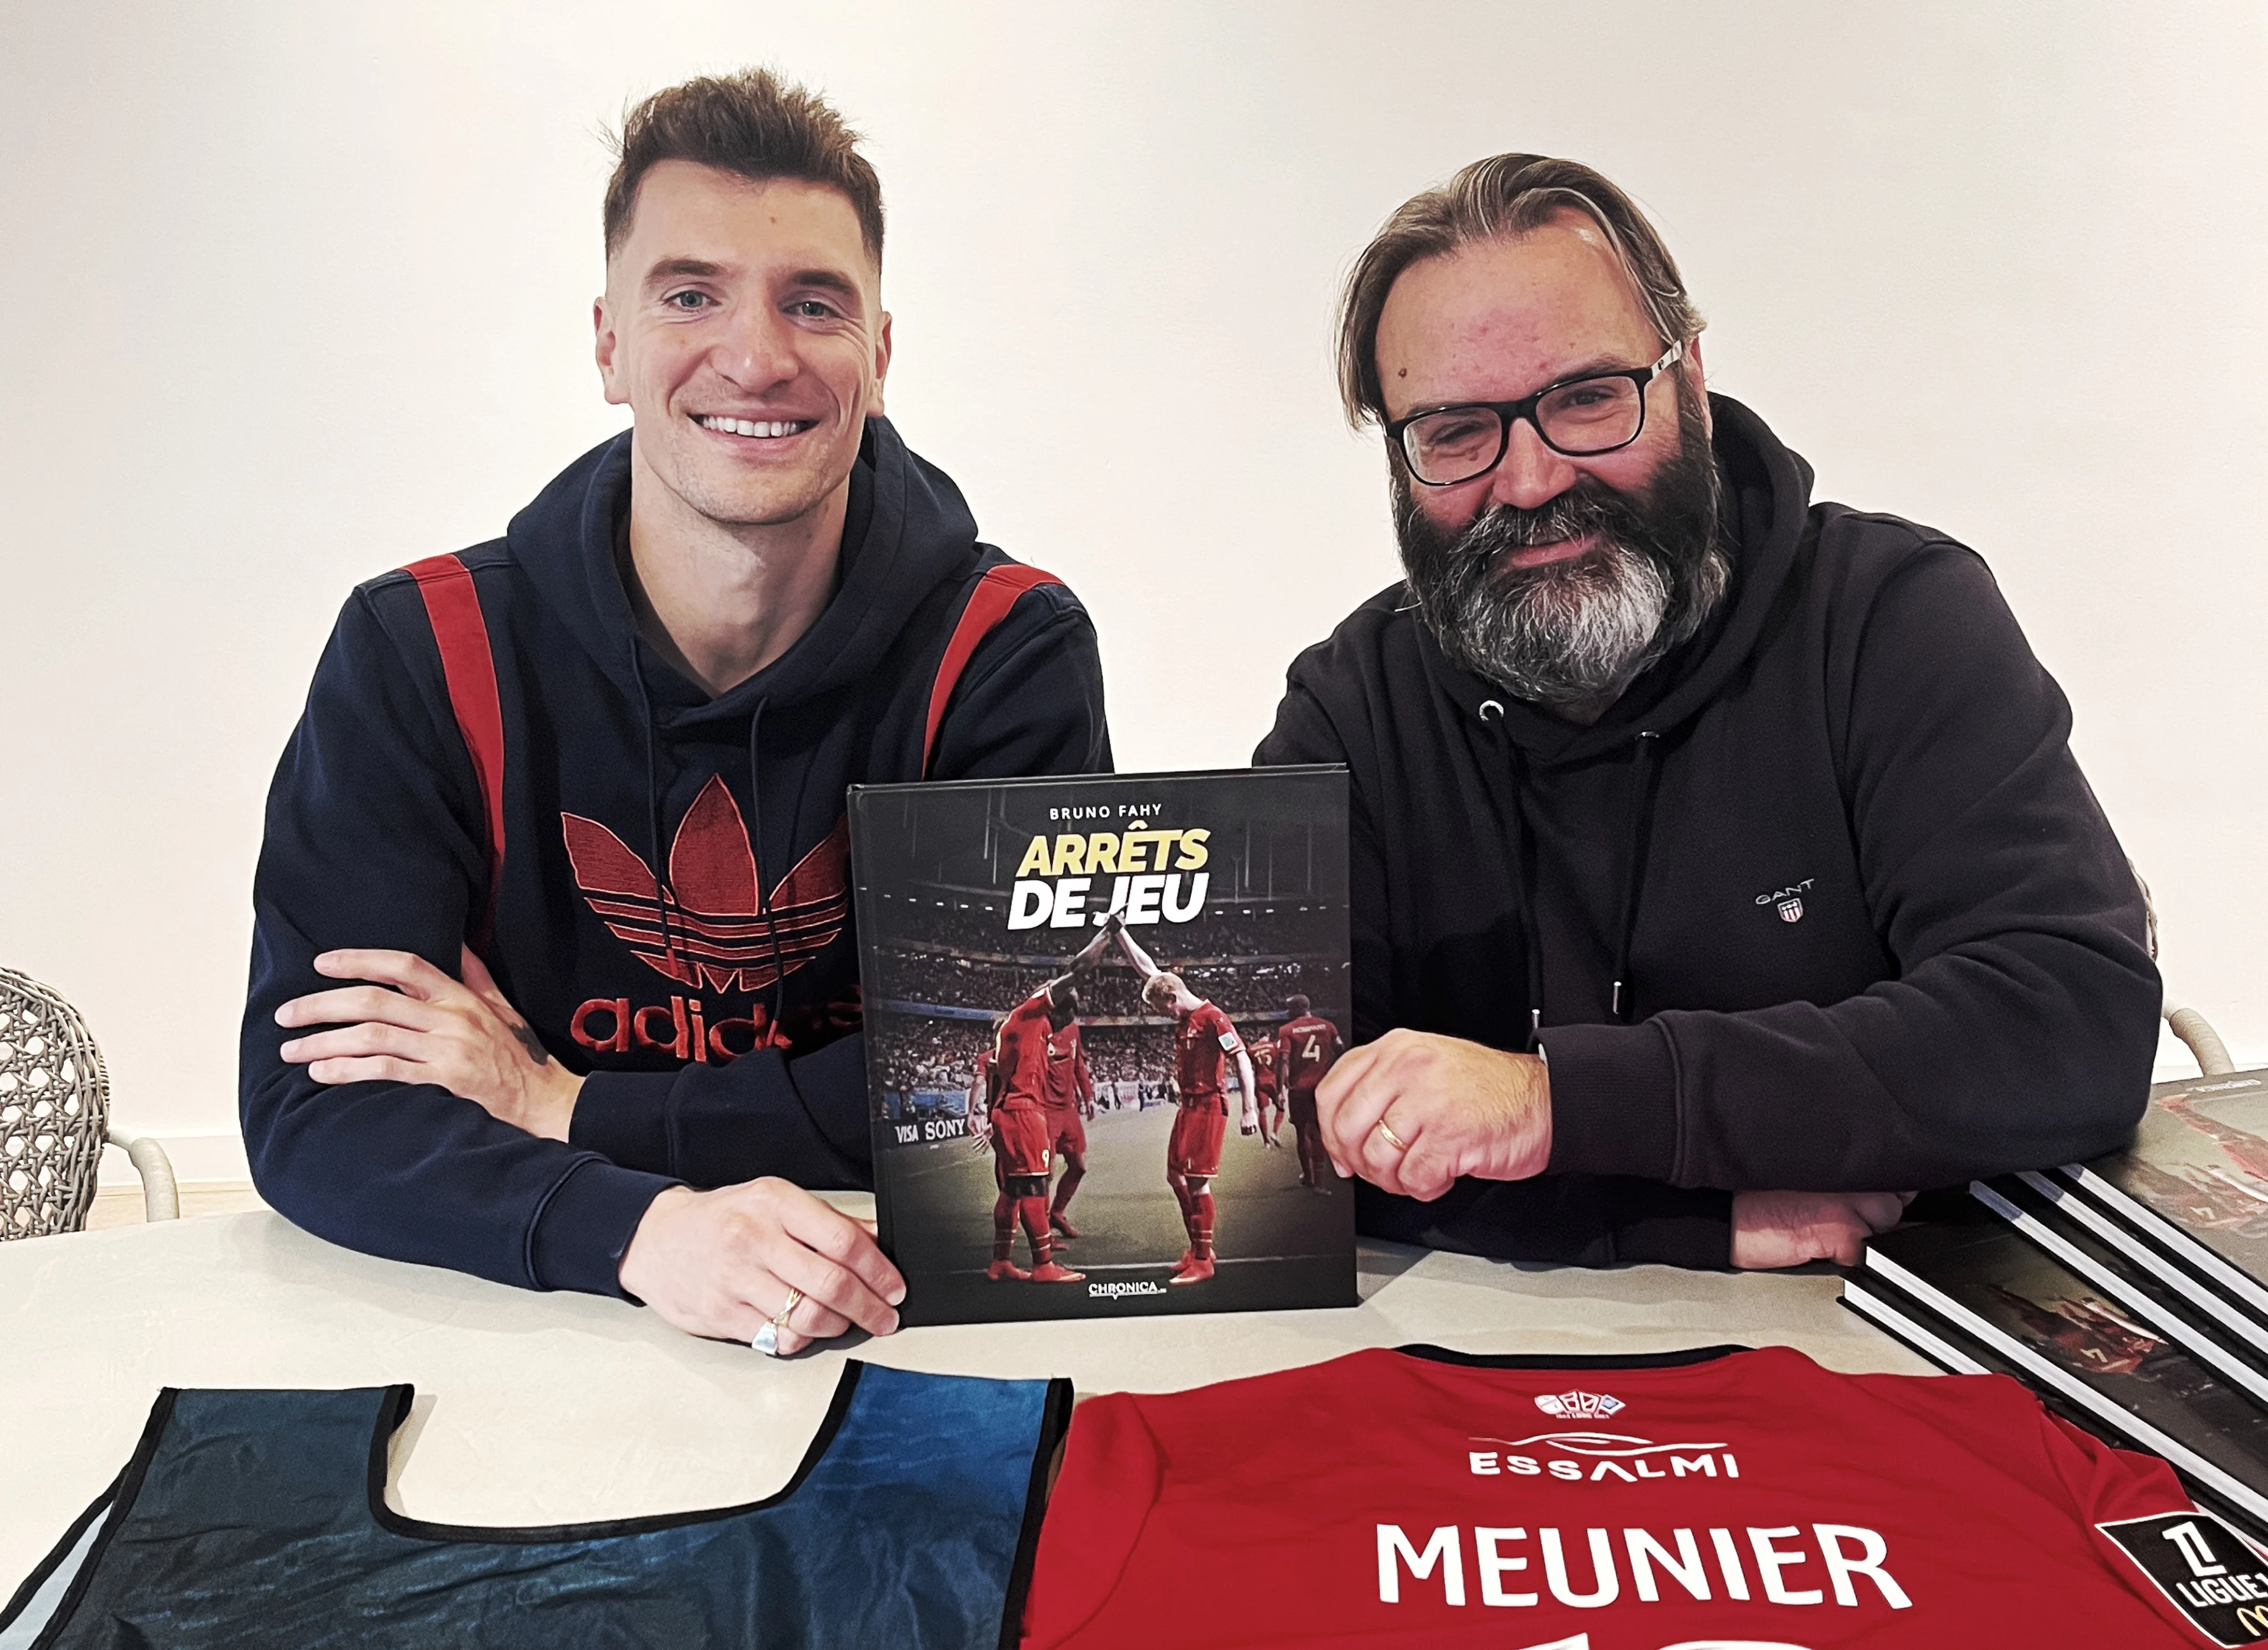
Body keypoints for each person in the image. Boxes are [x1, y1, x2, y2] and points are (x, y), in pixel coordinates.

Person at [240, 70, 1110, 1356]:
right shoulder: (421, 649)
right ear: (608, 344)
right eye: (690, 294)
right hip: (532, 1319)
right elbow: (314, 1111)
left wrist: (567, 1104)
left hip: (905, 1313)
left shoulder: (1005, 652)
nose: (756, 356)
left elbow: (998, 1091)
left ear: (879, 353)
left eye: (813, 304)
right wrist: (634, 1228)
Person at [1254, 154, 2158, 1270]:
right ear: (1398, 459)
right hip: (1489, 1365)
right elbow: (1283, 1153)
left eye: (1587, 397)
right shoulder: (1353, 710)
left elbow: (2066, 1022)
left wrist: (1554, 1103)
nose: (1530, 480)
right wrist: (1671, 1225)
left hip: (1881, 1350)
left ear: (1688, 375)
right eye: (1454, 432)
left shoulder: (1893, 619)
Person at [1110, 923, 1260, 1284]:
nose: (1164, 1015)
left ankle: (1204, 1260)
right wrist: (1121, 933)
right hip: (1188, 1106)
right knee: (1174, 1175)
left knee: (1197, 1183)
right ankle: (1197, 1248)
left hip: (1209, 1105)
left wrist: (1250, 1107)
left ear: (1173, 997)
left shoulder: (1212, 1017)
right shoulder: (1176, 1002)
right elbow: (1148, 970)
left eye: (1163, 1009)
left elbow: (1241, 1059)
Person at [969, 926, 1117, 1282]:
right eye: (1068, 1014)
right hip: (1024, 1112)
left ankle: (1001, 1261)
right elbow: (1078, 970)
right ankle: (1043, 1265)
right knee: (1036, 1187)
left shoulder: (1021, 1030)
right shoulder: (1031, 1014)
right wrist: (1106, 936)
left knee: (1012, 1190)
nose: (1067, 1023)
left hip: (1010, 1111)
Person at [1275, 994, 1342, 1192]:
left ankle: (1310, 1178)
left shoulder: (1287, 1030)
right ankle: (1319, 1181)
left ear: (1298, 1007)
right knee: (1318, 1132)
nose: (1288, 1013)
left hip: (1300, 1090)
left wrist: (1280, 1091)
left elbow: (1284, 1062)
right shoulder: (1328, 1026)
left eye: (1289, 1008)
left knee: (1302, 1133)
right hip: (1322, 1087)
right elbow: (1341, 1049)